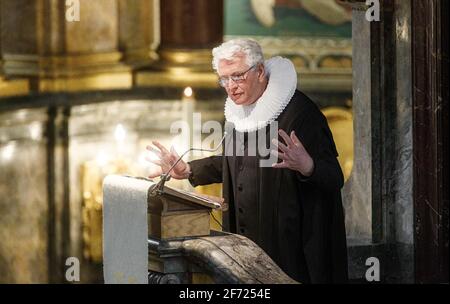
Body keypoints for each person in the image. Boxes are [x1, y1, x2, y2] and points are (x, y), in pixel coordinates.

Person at [147, 38, 348, 283]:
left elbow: (334, 177)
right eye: (224, 79)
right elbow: (237, 161)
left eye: (237, 76)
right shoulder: (240, 111)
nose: (230, 86)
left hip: (291, 251)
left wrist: (307, 166)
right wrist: (188, 169)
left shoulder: (301, 114)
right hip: (244, 249)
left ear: (260, 71)